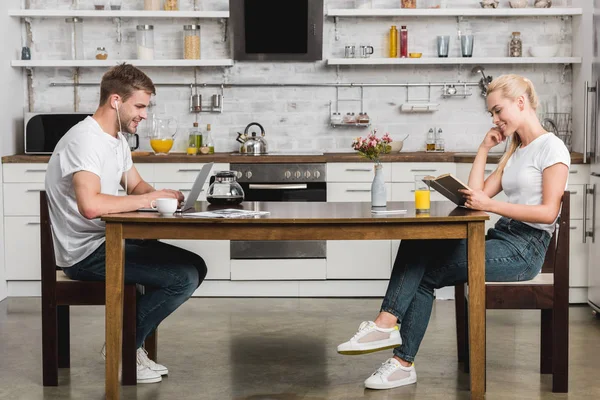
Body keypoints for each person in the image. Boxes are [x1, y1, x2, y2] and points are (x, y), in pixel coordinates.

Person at [337, 74, 570, 390]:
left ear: (520, 103)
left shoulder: (552, 148)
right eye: (491, 114)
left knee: (425, 271)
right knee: (418, 241)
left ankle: (397, 352)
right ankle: (389, 332)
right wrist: (484, 147)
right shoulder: (516, 148)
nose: (495, 119)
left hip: (525, 249)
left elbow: (548, 212)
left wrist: (492, 205)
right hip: (503, 237)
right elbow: (477, 196)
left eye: (498, 110)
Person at [44, 63, 207, 384]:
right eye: (140, 106)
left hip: (110, 241)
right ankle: (122, 349)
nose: (144, 115)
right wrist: (149, 200)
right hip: (84, 254)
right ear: (115, 100)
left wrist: (165, 195)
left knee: (196, 267)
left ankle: (130, 347)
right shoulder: (85, 141)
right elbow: (91, 206)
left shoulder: (115, 140)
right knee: (182, 277)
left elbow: (135, 187)